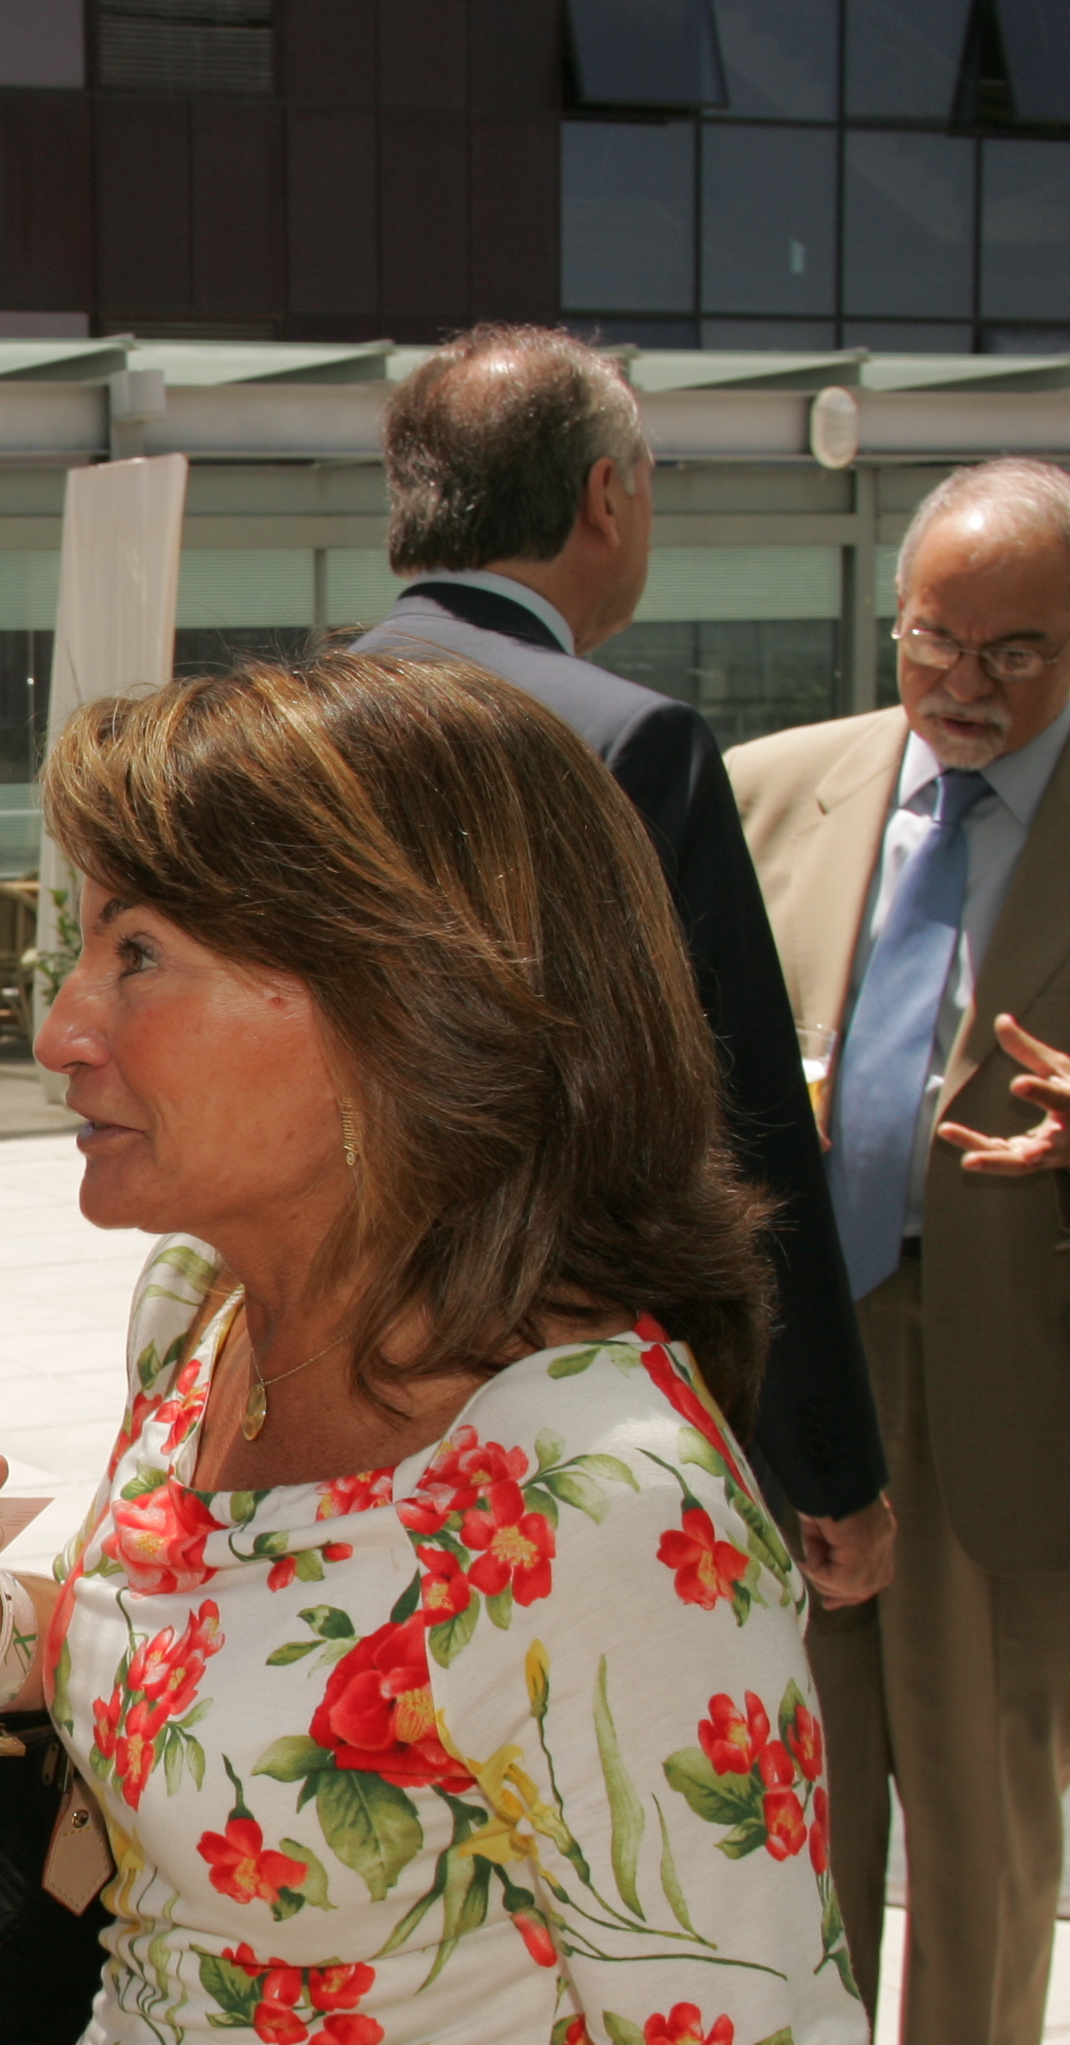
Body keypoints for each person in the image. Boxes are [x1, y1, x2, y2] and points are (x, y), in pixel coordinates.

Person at [0, 656, 873, 2045]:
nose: (62, 1026)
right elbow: (249, 1645)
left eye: (137, 954)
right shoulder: (203, 1318)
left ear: (403, 999)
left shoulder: (602, 1499)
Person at [355, 324, 894, 1619]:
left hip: (319, 1361)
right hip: (559, 1405)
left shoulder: (284, 719)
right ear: (607, 495)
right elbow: (745, 1125)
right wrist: (829, 1462)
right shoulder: (629, 743)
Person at [727, 455, 1070, 2045]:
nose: (963, 684)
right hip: (796, 1353)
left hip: (1003, 1365)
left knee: (985, 1788)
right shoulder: (775, 788)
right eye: (935, 638)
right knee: (801, 1776)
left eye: (1016, 654)